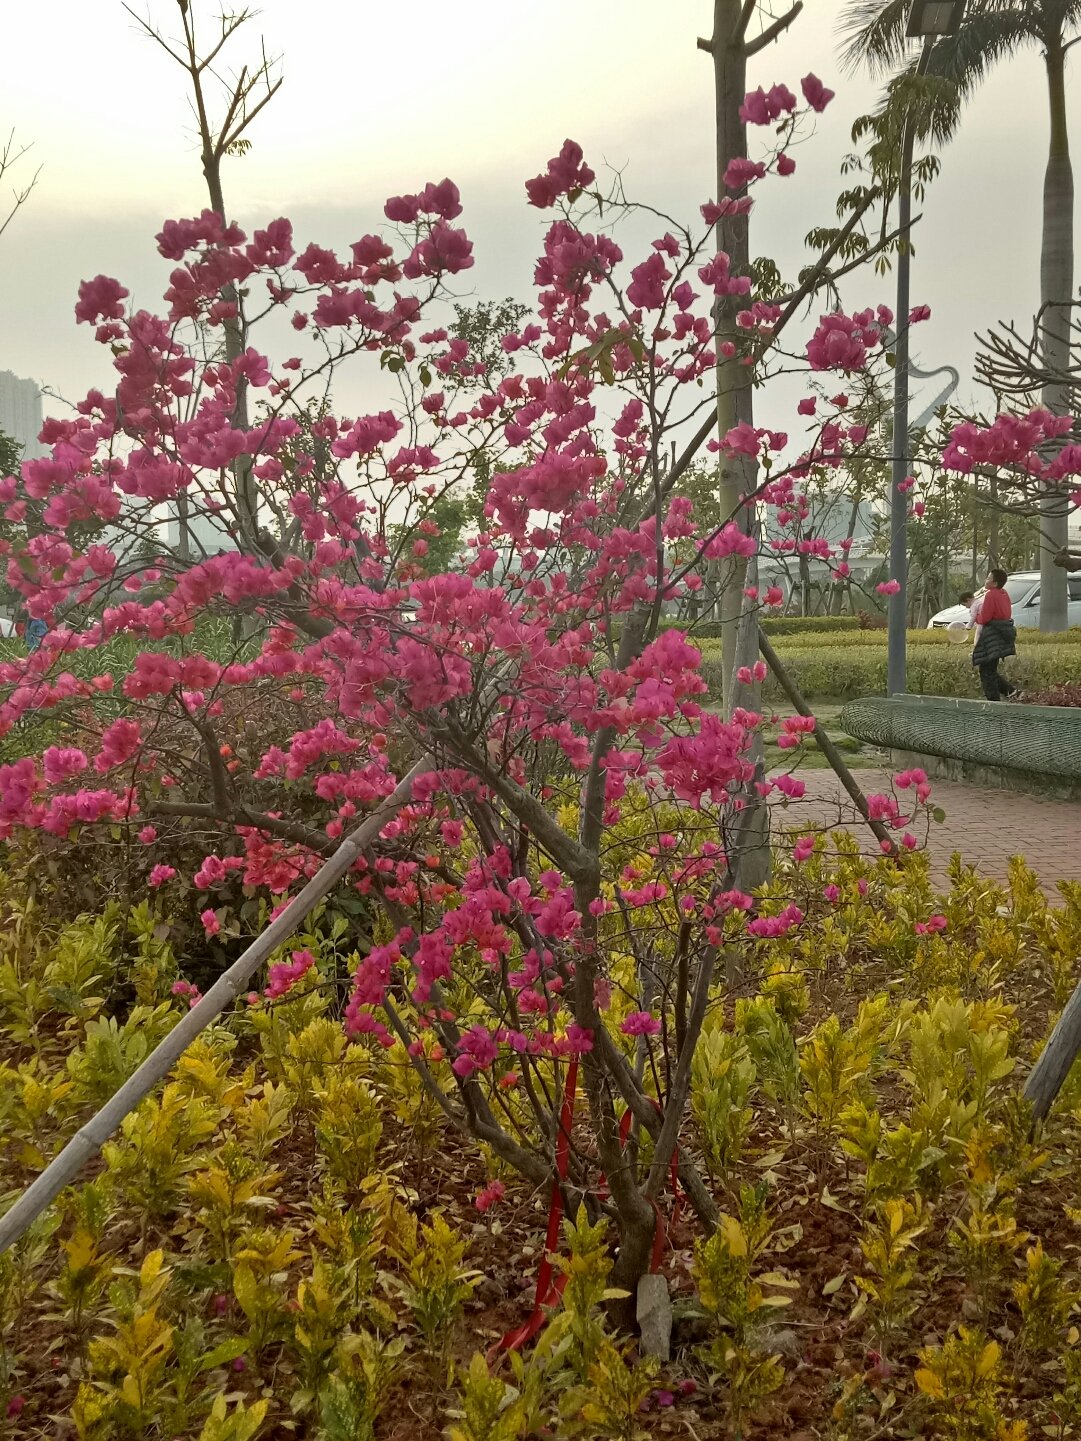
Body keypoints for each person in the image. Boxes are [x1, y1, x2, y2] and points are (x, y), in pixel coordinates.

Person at [971, 569, 1016, 701]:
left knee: (986, 671)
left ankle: (993, 700)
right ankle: (1012, 692)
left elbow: (985, 617)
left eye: (989, 578)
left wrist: (976, 618)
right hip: (1002, 633)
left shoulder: (991, 595)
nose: (986, 580)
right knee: (990, 669)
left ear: (995, 583)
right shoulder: (1004, 593)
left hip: (991, 635)